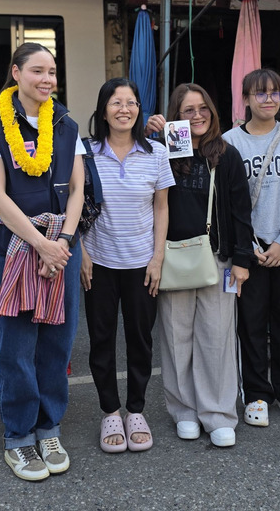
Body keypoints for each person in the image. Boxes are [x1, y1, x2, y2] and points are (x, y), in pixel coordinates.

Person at [0, 42, 85, 482]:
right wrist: (41, 244)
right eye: (38, 70)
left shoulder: (66, 124)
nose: (47, 79)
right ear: (16, 73)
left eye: (52, 72)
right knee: (16, 347)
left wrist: (63, 242)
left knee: (57, 344)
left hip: (62, 248)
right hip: (14, 249)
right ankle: (18, 437)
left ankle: (49, 429)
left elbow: (78, 190)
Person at [146, 83, 254, 448]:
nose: (197, 116)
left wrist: (242, 260)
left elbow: (241, 210)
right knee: (176, 338)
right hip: (172, 256)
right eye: (188, 110)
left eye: (203, 108)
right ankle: (184, 411)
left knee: (217, 337)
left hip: (217, 257)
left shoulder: (226, 155)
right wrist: (151, 135)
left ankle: (219, 413)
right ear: (175, 116)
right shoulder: (162, 152)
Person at [81, 78, 174, 454]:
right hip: (98, 262)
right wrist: (81, 253)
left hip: (141, 264)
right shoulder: (85, 153)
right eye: (116, 102)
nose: (124, 109)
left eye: (131, 102)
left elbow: (161, 207)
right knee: (101, 340)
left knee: (141, 340)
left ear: (139, 109)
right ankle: (109, 412)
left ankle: (135, 411)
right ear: (103, 111)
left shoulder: (156, 153)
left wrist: (158, 257)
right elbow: (73, 204)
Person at [223, 69, 280, 428]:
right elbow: (227, 202)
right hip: (247, 252)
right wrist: (247, 245)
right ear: (245, 99)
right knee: (250, 322)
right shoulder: (230, 142)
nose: (268, 99)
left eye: (275, 92)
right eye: (260, 93)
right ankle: (256, 394)